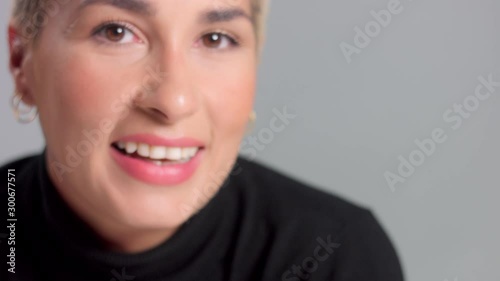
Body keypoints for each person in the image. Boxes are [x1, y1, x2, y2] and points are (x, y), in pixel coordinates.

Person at [1, 0, 405, 280]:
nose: (174, 100)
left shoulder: (331, 256)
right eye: (116, 32)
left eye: (216, 38)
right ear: (22, 62)